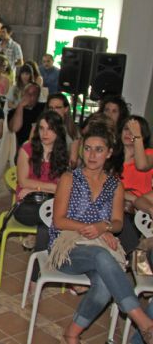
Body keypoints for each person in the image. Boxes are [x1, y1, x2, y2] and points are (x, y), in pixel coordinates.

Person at [49, 123, 153, 344]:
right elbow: (58, 221)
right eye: (87, 149)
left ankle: (72, 333)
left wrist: (103, 228)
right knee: (101, 256)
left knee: (104, 286)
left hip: (99, 247)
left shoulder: (115, 185)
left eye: (98, 149)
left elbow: (117, 223)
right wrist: (92, 230)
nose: (92, 155)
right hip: (66, 248)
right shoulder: (70, 178)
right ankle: (143, 321)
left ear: (109, 153)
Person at [15, 111, 68, 268]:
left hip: (50, 206)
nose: (45, 133)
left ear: (58, 131)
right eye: (41, 128)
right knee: (51, 221)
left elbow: (64, 189)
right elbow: (23, 181)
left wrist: (34, 188)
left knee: (46, 227)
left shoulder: (63, 155)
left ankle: (35, 277)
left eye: (50, 129)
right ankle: (41, 273)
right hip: (27, 205)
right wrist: (51, 187)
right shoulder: (27, 149)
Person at [116, 116, 153, 255]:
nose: (128, 133)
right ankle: (133, 253)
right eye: (126, 129)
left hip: (141, 213)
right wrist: (128, 195)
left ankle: (134, 253)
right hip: (118, 209)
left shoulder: (149, 154)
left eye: (133, 131)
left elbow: (142, 165)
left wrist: (137, 136)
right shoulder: (112, 158)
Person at [9, 82, 46, 157]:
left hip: (42, 144)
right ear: (22, 94)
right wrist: (20, 106)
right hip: (23, 147)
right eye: (27, 93)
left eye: (33, 94)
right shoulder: (13, 112)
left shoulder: (43, 108)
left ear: (37, 97)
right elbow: (15, 128)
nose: (29, 96)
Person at [45, 93, 80, 168]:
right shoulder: (38, 127)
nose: (53, 111)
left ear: (66, 109)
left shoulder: (73, 131)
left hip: (63, 169)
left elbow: (73, 161)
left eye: (57, 107)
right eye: (51, 108)